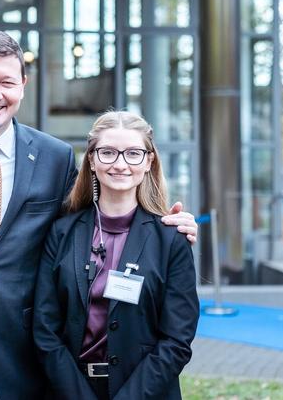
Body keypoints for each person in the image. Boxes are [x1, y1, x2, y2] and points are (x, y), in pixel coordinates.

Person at [0, 31, 198, 399]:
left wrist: (165, 222)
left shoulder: (54, 158)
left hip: (20, 358)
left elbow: (98, 217)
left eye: (7, 81)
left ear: (23, 85)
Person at [33, 111, 199, 399]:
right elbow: (44, 330)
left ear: (148, 161)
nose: (120, 164)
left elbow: (176, 340)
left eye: (133, 153)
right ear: (92, 160)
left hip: (146, 391)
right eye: (108, 152)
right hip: (69, 390)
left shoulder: (171, 239)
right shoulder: (61, 232)